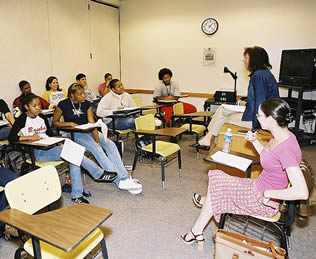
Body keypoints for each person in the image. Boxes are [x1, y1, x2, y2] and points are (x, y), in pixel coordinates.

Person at [181, 98, 309, 248]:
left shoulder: (286, 149)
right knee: (217, 178)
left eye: (260, 115)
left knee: (215, 183)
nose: (257, 117)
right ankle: (198, 228)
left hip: (262, 200)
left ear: (272, 119)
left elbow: (302, 192)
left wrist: (268, 194)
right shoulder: (282, 136)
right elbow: (271, 160)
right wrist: (255, 142)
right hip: (259, 187)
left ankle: (196, 230)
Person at [8, 93, 118, 204]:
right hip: (38, 151)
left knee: (74, 154)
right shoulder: (22, 119)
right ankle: (98, 173)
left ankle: (77, 194)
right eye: (34, 106)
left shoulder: (42, 117)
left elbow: (50, 134)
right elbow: (11, 137)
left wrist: (59, 142)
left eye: (39, 105)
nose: (38, 108)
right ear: (27, 107)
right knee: (72, 153)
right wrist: (30, 138)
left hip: (51, 147)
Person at [52, 83, 142, 194]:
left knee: (110, 144)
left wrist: (98, 140)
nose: (83, 96)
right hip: (74, 133)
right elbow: (54, 123)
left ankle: (124, 177)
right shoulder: (63, 104)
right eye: (80, 94)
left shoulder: (86, 104)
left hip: (88, 129)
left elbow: (92, 124)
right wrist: (69, 124)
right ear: (72, 95)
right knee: (97, 150)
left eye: (83, 94)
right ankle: (118, 180)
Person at [196, 46, 279, 149]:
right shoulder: (264, 74)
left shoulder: (258, 75)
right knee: (222, 109)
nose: (243, 60)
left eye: (246, 57)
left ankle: (212, 142)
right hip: (263, 115)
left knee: (222, 117)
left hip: (261, 120)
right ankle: (209, 141)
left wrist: (256, 128)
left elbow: (260, 103)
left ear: (254, 59)